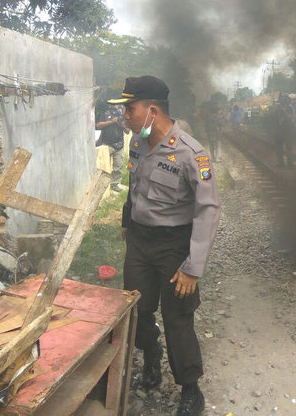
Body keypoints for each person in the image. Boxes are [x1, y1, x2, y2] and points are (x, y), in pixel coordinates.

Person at [108, 76, 221, 416]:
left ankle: (190, 388)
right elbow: (134, 187)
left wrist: (193, 266)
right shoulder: (137, 145)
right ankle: (151, 358)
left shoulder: (191, 154)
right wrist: (128, 223)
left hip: (174, 245)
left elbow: (208, 209)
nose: (125, 116)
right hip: (141, 242)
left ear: (152, 111)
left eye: (130, 109)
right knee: (137, 308)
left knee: (177, 317)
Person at [96, 104, 128, 192]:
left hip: (119, 145)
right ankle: (101, 186)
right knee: (104, 166)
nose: (119, 109)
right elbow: (98, 125)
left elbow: (128, 131)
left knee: (118, 166)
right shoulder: (106, 114)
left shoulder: (123, 117)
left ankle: (114, 184)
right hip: (107, 144)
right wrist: (111, 121)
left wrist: (121, 125)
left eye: (120, 107)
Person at [273, 93, 296, 166]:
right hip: (279, 131)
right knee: (278, 147)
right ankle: (280, 163)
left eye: (283, 100)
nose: (281, 101)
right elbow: (275, 119)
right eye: (281, 100)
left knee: (289, 147)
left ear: (286, 100)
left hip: (288, 130)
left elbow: (292, 118)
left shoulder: (290, 107)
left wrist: (284, 111)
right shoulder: (278, 108)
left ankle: (290, 164)